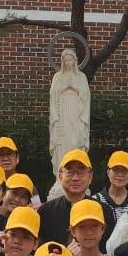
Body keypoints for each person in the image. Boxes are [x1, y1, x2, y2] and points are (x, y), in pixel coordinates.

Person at [38, 150, 115, 248]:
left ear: (90, 177)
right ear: (60, 177)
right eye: (70, 172)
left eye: (80, 173)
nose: (75, 178)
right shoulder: (45, 212)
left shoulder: (104, 211)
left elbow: (108, 250)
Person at [49, 48, 91, 177]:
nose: (68, 63)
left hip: (76, 112)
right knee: (62, 141)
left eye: (70, 60)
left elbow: (86, 94)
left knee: (76, 139)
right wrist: (63, 88)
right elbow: (53, 94)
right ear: (62, 62)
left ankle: (77, 174)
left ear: (75, 61)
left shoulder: (81, 77)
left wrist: (73, 87)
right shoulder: (58, 76)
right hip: (62, 113)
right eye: (66, 60)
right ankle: (61, 175)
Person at [92, 151, 128, 221]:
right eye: (116, 170)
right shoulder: (95, 201)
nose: (120, 174)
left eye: (124, 171)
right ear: (108, 171)